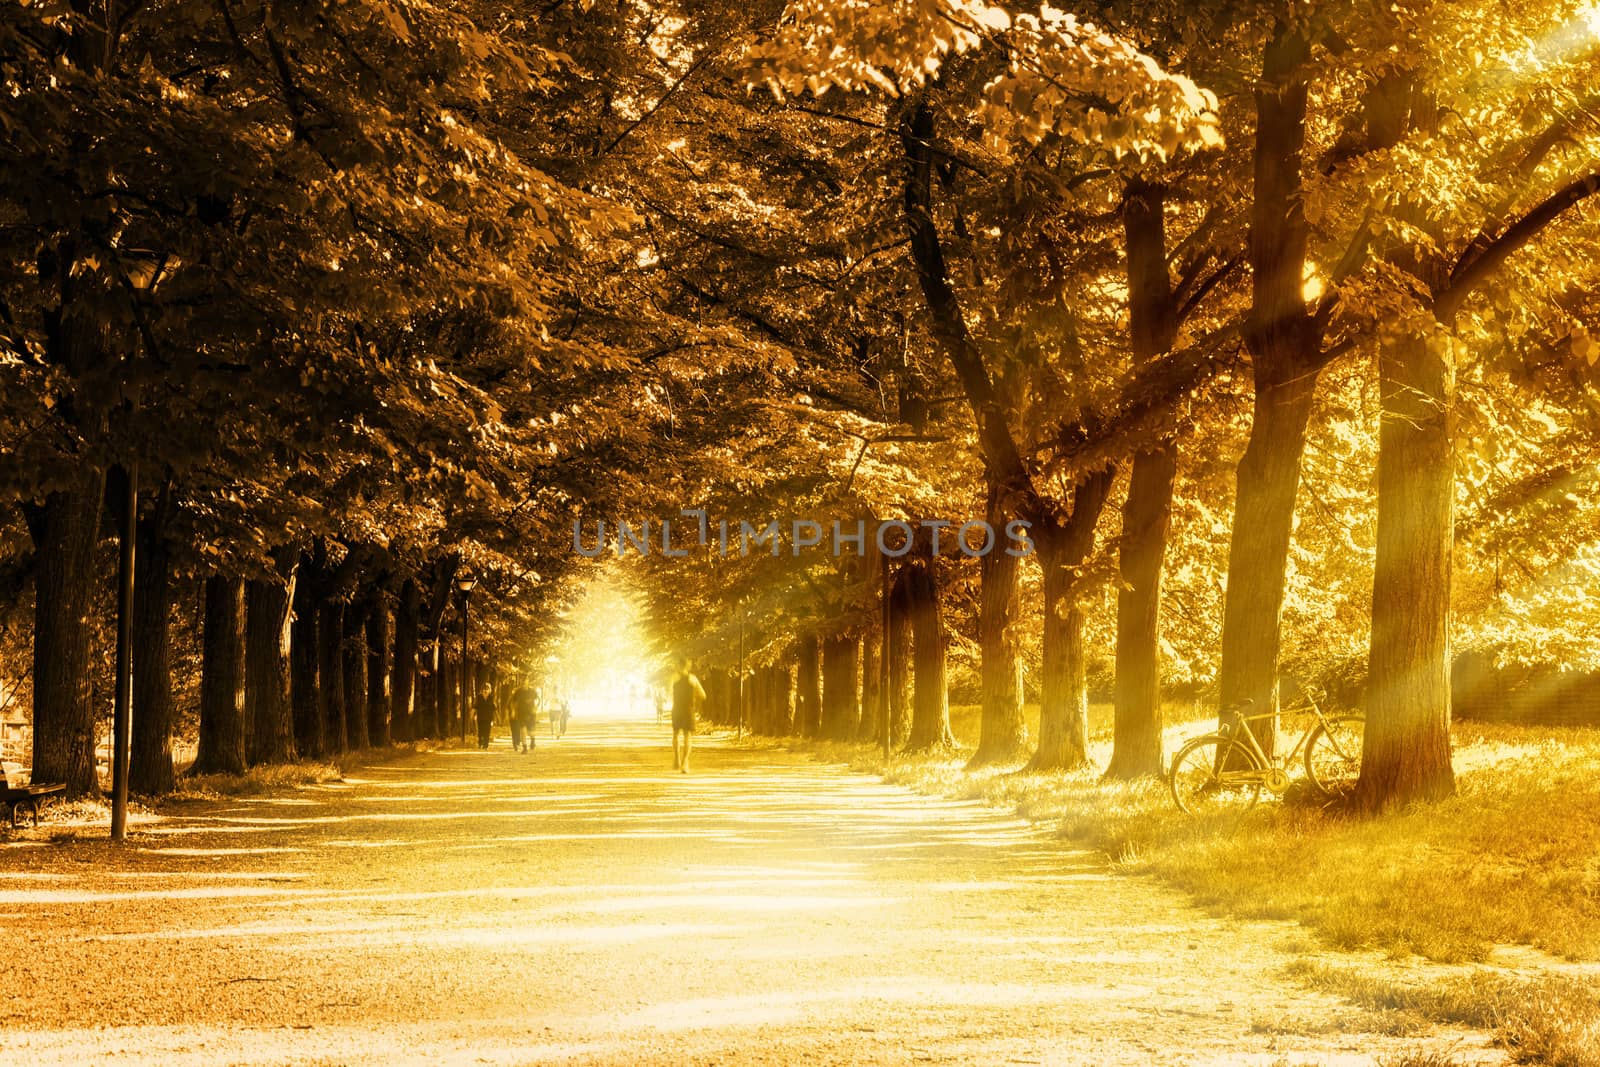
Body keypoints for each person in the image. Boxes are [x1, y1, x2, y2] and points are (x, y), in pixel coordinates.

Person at [671, 657, 706, 773]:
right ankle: (685, 762)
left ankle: (677, 759)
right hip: (688, 709)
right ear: (687, 666)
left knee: (676, 734)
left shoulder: (674, 678)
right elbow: (703, 695)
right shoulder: (693, 679)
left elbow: (668, 692)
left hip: (677, 709)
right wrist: (692, 695)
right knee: (687, 735)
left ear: (679, 665)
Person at [510, 681, 538, 753]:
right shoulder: (518, 692)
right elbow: (513, 702)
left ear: (528, 683)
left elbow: (538, 699)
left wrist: (535, 708)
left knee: (531, 732)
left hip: (531, 714)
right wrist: (513, 711)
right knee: (523, 730)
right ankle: (524, 747)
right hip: (521, 713)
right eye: (523, 683)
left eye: (525, 682)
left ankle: (532, 740)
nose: (524, 684)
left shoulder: (532, 691)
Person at [474, 681, 496, 750]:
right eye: (484, 689)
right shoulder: (479, 697)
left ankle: (485, 745)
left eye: (487, 689)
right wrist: (472, 714)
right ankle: (480, 743)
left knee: (487, 731)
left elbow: (494, 708)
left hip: (489, 718)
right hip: (480, 717)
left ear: (489, 690)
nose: (485, 690)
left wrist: (496, 718)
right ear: (482, 690)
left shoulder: (491, 697)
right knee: (481, 731)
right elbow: (475, 706)